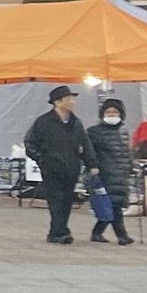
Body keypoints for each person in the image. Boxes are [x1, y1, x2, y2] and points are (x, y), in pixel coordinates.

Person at [26, 84, 87, 245]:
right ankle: (61, 232)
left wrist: (91, 163)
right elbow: (30, 143)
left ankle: (57, 232)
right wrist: (42, 160)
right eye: (69, 99)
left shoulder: (76, 123)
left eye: (73, 99)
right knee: (56, 200)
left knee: (67, 200)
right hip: (51, 168)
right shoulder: (44, 122)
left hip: (71, 168)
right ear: (57, 102)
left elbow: (85, 144)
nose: (73, 102)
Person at [86, 96, 135, 245]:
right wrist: (93, 168)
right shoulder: (94, 132)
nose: (112, 114)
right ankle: (122, 235)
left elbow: (126, 152)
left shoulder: (123, 130)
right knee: (112, 205)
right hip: (105, 174)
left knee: (113, 205)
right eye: (108, 111)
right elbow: (90, 153)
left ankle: (97, 232)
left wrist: (130, 165)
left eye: (115, 112)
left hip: (121, 174)